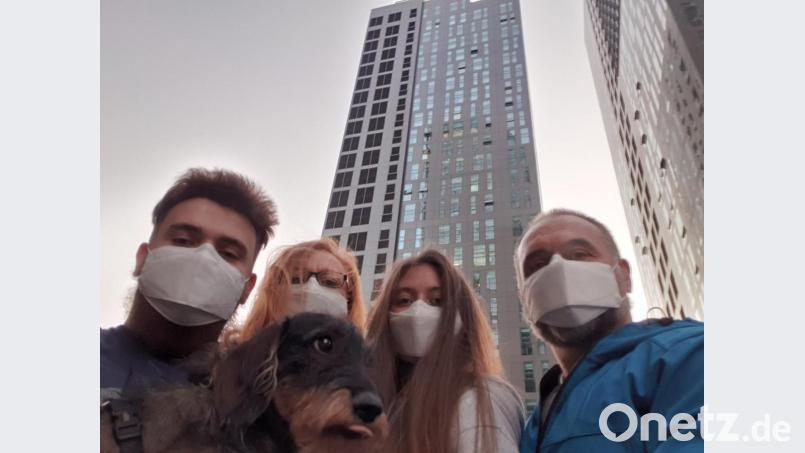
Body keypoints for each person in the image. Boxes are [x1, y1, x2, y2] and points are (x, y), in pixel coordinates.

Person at [515, 209, 704, 452]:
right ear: (525, 299)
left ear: (624, 275)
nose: (558, 269)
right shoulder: (532, 424)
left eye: (580, 254)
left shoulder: (690, 354)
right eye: (537, 265)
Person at [100, 168, 278, 394]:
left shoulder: (250, 403)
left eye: (228, 253)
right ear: (143, 258)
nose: (204, 257)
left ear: (247, 288)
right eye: (183, 240)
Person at [366, 249, 523, 453]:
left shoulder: (476, 399)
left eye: (438, 300)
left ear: (461, 316)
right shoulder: (385, 401)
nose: (419, 310)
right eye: (404, 300)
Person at [232, 238, 366, 345]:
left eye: (330, 281)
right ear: (272, 291)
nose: (311, 287)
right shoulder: (228, 366)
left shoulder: (368, 374)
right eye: (296, 279)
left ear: (350, 301)